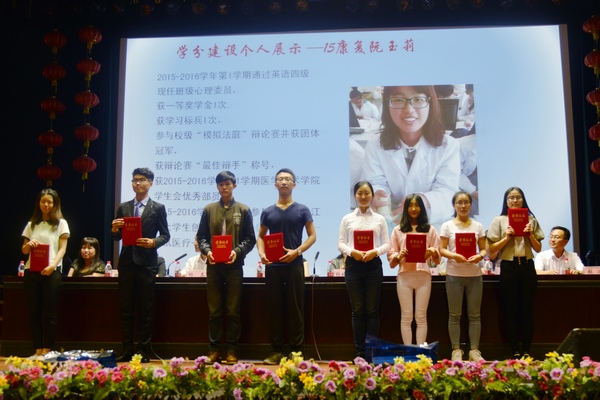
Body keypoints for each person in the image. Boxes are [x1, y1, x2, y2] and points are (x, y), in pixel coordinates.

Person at [362, 85, 460, 227]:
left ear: (430, 103)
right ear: (387, 104)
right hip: (391, 220)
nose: (408, 109)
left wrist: (424, 200)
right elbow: (375, 181)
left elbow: (448, 191)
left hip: (431, 221)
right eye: (398, 99)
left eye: (418, 99)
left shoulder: (448, 146)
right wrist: (377, 193)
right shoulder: (375, 145)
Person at [257, 168, 317, 365]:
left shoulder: (302, 210)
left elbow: (312, 236)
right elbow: (260, 236)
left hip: (295, 264)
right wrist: (262, 254)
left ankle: (296, 352)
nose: (284, 182)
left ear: (294, 184)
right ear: (275, 184)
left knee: (295, 308)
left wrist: (297, 252)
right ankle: (276, 351)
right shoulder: (267, 212)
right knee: (274, 309)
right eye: (280, 179)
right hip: (273, 266)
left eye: (288, 179)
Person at [111, 167, 171, 363]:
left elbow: (165, 235)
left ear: (150, 183)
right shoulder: (124, 207)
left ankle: (142, 351)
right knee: (126, 309)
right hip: (127, 262)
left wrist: (153, 242)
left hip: (147, 263)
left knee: (145, 309)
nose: (138, 183)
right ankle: (127, 350)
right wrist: (114, 230)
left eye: (142, 180)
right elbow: (116, 237)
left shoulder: (158, 208)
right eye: (135, 180)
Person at [196, 170, 256, 364]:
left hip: (234, 266)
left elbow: (250, 239)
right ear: (217, 187)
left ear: (234, 186)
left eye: (227, 184)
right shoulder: (209, 209)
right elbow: (201, 237)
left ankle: (231, 350)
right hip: (213, 266)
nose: (224, 187)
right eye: (221, 184)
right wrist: (207, 252)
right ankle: (214, 350)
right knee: (214, 311)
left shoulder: (243, 210)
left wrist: (237, 252)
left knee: (232, 311)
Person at [486, 187, 544, 359]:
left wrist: (530, 235)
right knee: (510, 310)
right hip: (508, 267)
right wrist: (507, 237)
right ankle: (514, 350)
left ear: (523, 200)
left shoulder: (531, 220)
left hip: (527, 266)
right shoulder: (499, 220)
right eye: (511, 197)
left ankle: (526, 350)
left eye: (518, 197)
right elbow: (492, 250)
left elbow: (538, 248)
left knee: (527, 309)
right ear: (506, 201)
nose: (515, 200)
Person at [338, 181, 390, 359]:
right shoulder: (347, 219)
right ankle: (360, 351)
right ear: (355, 196)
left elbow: (387, 244)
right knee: (358, 310)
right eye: (360, 193)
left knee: (372, 310)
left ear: (372, 195)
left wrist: (375, 251)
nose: (363, 196)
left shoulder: (379, 219)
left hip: (373, 265)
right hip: (353, 265)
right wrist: (352, 252)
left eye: (367, 193)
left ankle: (372, 351)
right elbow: (341, 243)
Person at [21, 188, 70, 359]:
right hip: (31, 271)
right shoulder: (31, 224)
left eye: (50, 202)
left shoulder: (61, 223)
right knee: (34, 313)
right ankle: (37, 350)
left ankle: (47, 350)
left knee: (50, 313)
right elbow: (24, 250)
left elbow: (63, 249)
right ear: (39, 203)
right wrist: (29, 245)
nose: (46, 205)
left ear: (55, 204)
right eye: (43, 201)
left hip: (52, 272)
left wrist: (53, 266)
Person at [439, 191, 487, 362]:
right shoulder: (447, 226)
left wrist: (479, 256)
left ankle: (474, 350)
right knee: (455, 315)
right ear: (454, 205)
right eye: (459, 202)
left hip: (474, 274)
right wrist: (453, 256)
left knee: (474, 315)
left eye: (466, 202)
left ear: (471, 205)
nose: (463, 205)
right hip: (454, 275)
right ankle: (456, 350)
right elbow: (441, 249)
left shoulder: (478, 226)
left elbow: (483, 249)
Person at [388, 193, 440, 345]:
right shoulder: (398, 230)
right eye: (410, 205)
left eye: (417, 205)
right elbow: (391, 256)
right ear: (405, 208)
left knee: (421, 317)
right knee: (406, 317)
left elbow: (437, 259)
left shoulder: (430, 230)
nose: (413, 208)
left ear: (422, 208)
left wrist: (433, 251)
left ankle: (420, 351)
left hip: (423, 277)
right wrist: (399, 255)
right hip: (404, 277)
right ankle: (408, 351)